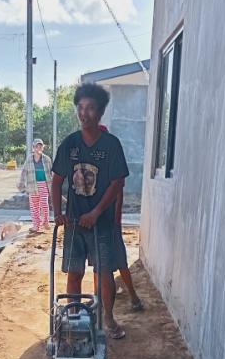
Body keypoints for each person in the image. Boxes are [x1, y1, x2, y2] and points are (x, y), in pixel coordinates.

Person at [52, 83, 128, 339]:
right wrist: (58, 212)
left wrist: (96, 212)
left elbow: (117, 183)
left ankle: (107, 318)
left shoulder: (111, 145)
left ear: (100, 112)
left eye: (90, 108)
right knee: (74, 273)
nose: (84, 114)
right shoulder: (69, 144)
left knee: (104, 273)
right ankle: (73, 317)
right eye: (80, 108)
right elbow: (57, 180)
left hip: (101, 223)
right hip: (74, 223)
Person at [98, 124, 144, 312]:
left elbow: (118, 193)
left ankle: (133, 297)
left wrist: (115, 221)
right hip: (97, 222)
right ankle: (98, 296)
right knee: (98, 263)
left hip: (110, 222)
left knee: (120, 261)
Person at [18, 138, 52, 233]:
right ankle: (36, 225)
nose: (38, 148)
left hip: (43, 184)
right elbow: (24, 172)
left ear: (43, 147)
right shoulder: (29, 159)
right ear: (33, 148)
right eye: (36, 146)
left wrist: (53, 186)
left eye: (40, 146)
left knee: (44, 204)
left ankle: (45, 222)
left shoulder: (47, 159)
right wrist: (21, 184)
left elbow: (51, 173)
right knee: (34, 206)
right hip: (32, 185)